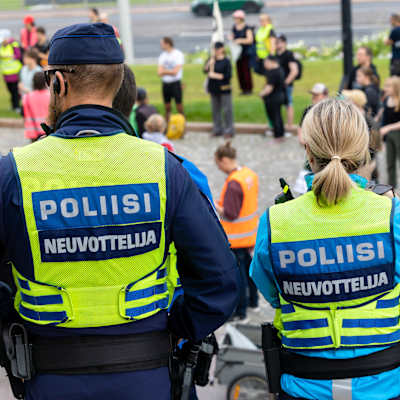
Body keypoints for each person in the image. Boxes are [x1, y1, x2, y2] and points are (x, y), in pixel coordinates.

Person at [0, 23, 239, 400]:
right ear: (118, 82)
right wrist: (173, 327)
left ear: (58, 83)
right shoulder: (165, 168)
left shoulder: (13, 173)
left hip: (49, 375)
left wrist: (12, 331)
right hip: (149, 374)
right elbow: (221, 281)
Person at [251, 98, 400, 400]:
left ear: (307, 150)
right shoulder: (391, 215)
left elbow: (271, 292)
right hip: (384, 385)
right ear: (363, 150)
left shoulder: (275, 221)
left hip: (303, 384)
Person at [215, 142, 259, 322]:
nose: (218, 168)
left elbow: (231, 214)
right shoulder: (248, 175)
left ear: (224, 160)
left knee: (238, 276)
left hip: (236, 238)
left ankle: (240, 311)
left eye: (218, 164)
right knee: (249, 269)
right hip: (249, 234)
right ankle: (254, 301)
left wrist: (216, 206)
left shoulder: (234, 184)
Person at [342, 89, 381, 181]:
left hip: (364, 166)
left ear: (355, 103)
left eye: (348, 100)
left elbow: (374, 148)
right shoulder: (353, 119)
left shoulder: (370, 124)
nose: (345, 102)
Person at [204, 42, 234, 138]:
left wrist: (215, 75)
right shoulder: (211, 60)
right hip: (214, 89)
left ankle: (229, 130)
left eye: (218, 49)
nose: (216, 51)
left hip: (224, 89)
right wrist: (210, 63)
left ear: (222, 49)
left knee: (227, 110)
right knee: (215, 110)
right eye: (215, 49)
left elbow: (228, 75)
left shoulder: (226, 61)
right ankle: (217, 129)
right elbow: (205, 70)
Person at [157, 37, 184, 121]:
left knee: (179, 105)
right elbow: (159, 73)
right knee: (167, 106)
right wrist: (169, 71)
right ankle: (167, 124)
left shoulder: (178, 54)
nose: (161, 45)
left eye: (162, 43)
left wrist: (164, 71)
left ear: (167, 44)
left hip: (175, 83)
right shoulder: (162, 56)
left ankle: (182, 122)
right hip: (165, 84)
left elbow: (176, 71)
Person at [260, 55, 286, 141]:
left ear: (272, 62)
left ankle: (277, 135)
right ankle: (281, 133)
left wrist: (261, 94)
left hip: (273, 98)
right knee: (278, 115)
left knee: (275, 117)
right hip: (280, 95)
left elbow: (269, 88)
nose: (265, 65)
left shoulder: (273, 72)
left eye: (266, 63)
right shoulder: (280, 70)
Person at [380, 76, 400, 188]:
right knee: (390, 163)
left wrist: (388, 128)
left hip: (397, 134)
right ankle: (391, 186)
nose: (385, 88)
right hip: (389, 137)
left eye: (388, 86)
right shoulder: (387, 100)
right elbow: (384, 119)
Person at [276, 34, 298, 130]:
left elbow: (294, 71)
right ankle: (278, 125)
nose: (277, 44)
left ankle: (289, 126)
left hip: (286, 85)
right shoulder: (275, 55)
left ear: (284, 43)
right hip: (276, 85)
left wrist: (286, 82)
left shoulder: (288, 54)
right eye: (276, 42)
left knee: (288, 104)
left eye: (279, 42)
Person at [230, 10, 253, 95]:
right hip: (237, 52)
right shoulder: (234, 27)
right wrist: (231, 39)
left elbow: (250, 40)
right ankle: (243, 89)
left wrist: (240, 40)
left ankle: (248, 89)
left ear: (241, 18)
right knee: (239, 71)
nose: (235, 19)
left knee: (246, 71)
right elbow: (233, 36)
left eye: (236, 18)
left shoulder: (247, 28)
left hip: (245, 52)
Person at [22, 71, 49, 142]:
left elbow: (23, 114)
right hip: (47, 131)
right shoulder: (50, 96)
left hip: (33, 131)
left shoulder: (27, 97)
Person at [0, 29, 22, 112]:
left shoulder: (14, 45)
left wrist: (8, 56)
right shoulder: (1, 46)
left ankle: (17, 106)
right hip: (6, 73)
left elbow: (18, 55)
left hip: (14, 72)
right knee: (10, 90)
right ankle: (13, 106)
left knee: (15, 91)